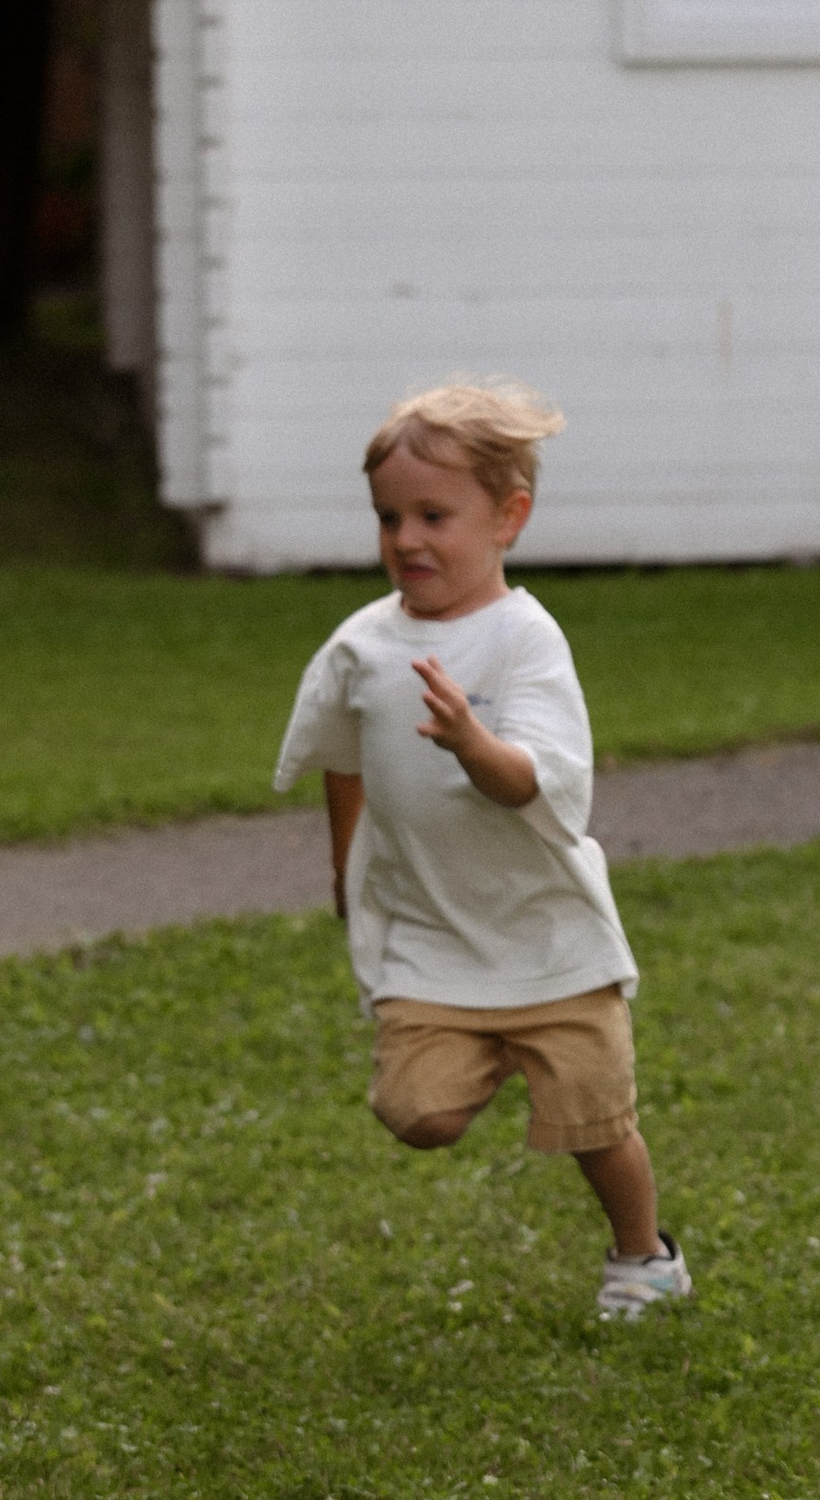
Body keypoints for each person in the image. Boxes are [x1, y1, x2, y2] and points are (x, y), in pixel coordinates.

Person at [274, 375, 692, 1326]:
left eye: (434, 514)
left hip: (548, 937)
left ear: (509, 517)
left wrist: (475, 744)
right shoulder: (363, 646)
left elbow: (537, 785)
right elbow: (343, 758)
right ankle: (491, 1047)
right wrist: (346, 867)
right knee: (415, 1116)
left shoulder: (525, 641)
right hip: (434, 933)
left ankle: (645, 1258)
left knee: (595, 1121)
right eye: (389, 518)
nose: (407, 539)